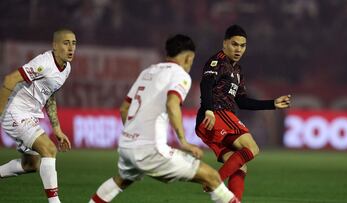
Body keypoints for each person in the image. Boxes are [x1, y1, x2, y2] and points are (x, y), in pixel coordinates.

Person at [89, 34, 240, 203]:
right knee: (211, 177)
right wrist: (183, 141)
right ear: (189, 57)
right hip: (151, 150)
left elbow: (124, 108)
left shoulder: (148, 71)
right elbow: (172, 104)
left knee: (122, 180)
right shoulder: (180, 75)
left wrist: (134, 136)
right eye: (192, 60)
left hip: (127, 146)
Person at [195, 24, 291, 201]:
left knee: (240, 166)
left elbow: (242, 101)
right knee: (252, 147)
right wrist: (209, 109)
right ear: (225, 43)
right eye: (234, 44)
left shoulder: (237, 70)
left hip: (210, 124)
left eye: (242, 45)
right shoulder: (218, 61)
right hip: (217, 113)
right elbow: (206, 84)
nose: (238, 49)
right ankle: (213, 181)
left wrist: (273, 104)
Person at [0, 29, 76, 203]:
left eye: (74, 43)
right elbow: (9, 80)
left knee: (31, 165)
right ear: (55, 46)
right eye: (66, 43)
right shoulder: (43, 62)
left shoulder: (66, 68)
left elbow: (50, 93)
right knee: (49, 149)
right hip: (15, 112)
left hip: (29, 115)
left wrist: (57, 128)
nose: (71, 48)